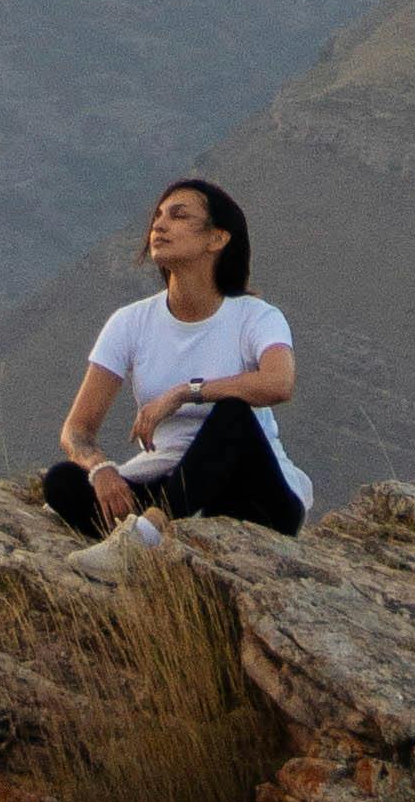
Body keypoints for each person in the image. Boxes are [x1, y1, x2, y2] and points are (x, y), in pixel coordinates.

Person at [39, 177, 309, 541]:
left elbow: (279, 383)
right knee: (63, 481)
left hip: (252, 493)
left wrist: (185, 392)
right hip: (167, 478)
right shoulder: (130, 322)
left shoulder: (256, 317)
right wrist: (100, 468)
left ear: (217, 238)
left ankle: (145, 535)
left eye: (178, 216)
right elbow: (77, 430)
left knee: (232, 414)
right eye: (158, 216)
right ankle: (152, 531)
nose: (159, 225)